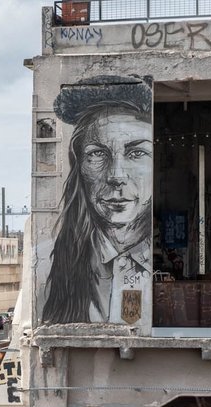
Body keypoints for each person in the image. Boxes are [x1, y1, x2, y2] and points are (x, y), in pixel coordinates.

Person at [42, 75, 153, 326]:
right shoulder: (48, 264)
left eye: (137, 153)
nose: (116, 176)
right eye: (97, 154)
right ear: (79, 166)